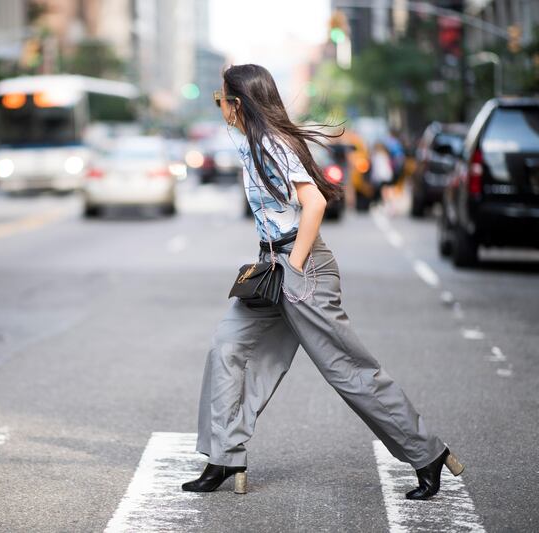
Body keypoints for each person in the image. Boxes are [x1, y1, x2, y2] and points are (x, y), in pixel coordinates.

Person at [182, 64, 464, 500]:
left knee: (348, 370)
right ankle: (223, 458)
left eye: (222, 99)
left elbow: (313, 204)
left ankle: (427, 454)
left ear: (239, 104)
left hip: (303, 267)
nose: (219, 106)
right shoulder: (252, 142)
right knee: (227, 347)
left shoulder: (273, 145)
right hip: (271, 267)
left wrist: (293, 266)